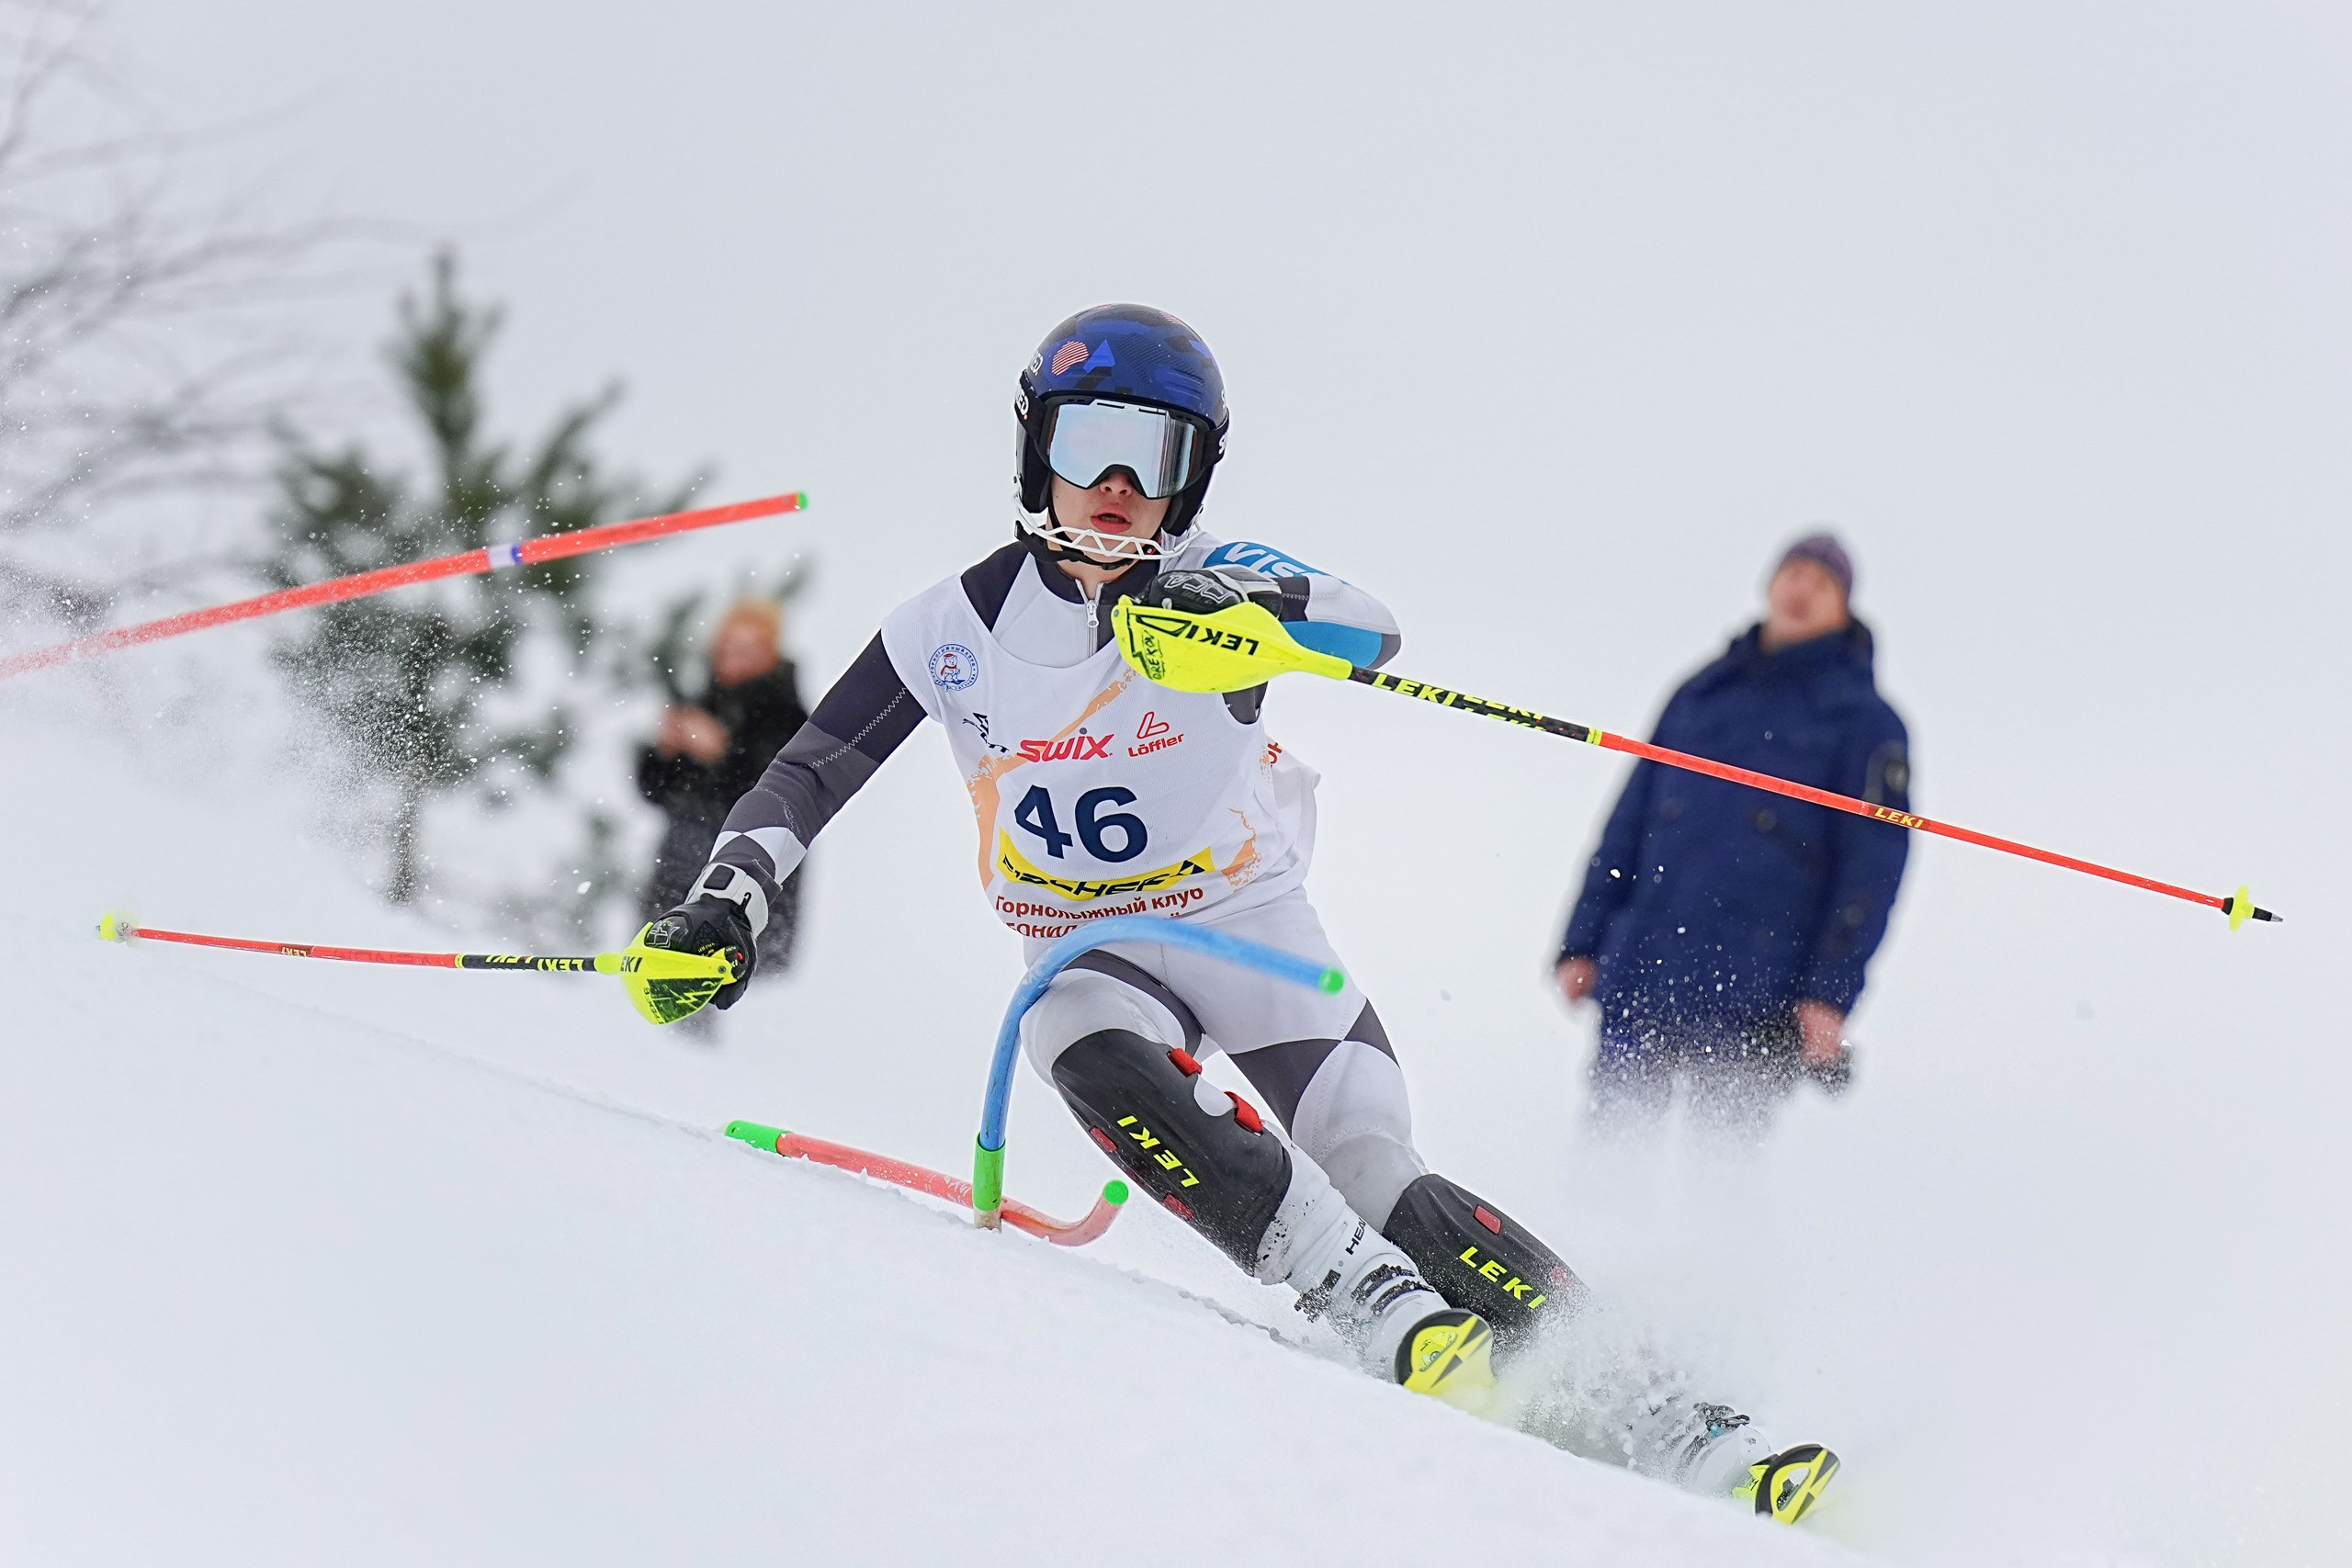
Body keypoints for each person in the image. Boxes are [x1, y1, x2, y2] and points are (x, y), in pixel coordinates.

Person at [628, 306, 1835, 1520]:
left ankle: (1674, 1410)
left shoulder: (1212, 592)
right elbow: (806, 771)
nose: (1110, 484)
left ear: (1187, 478)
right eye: (1086, 442)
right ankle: (1360, 1292)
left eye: (1147, 458)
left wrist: (1254, 613)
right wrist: (725, 901)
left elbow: (1372, 629)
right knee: (1069, 1030)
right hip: (1087, 946)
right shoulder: (947, 629)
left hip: (1251, 928)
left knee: (1377, 1168)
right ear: (1035, 447)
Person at [1555, 534, 1911, 1141]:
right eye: (1793, 573)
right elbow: (1629, 821)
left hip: (1758, 996)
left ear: (1844, 606)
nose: (1801, 589)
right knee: (1610, 1159)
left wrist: (1829, 993)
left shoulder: (1867, 723)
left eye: (1821, 583)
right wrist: (1582, 939)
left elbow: (1871, 873)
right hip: (1648, 969)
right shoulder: (1702, 691)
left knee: (1716, 1183)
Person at [636, 598, 808, 970]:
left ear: (771, 652)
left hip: (750, 896)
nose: (732, 656)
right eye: (726, 645)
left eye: (747, 647)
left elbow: (779, 797)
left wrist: (720, 751)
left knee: (733, 996)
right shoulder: (706, 703)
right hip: (676, 878)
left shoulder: (788, 716)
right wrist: (665, 751)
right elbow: (657, 792)